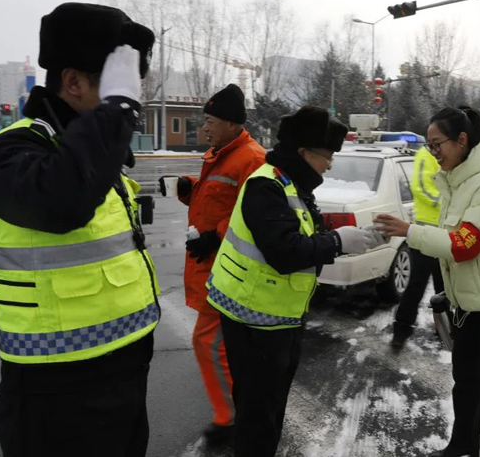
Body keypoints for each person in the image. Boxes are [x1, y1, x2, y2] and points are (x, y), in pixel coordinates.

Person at [0, 3, 159, 457]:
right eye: (116, 86)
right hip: (55, 390)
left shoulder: (88, 149)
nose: (130, 103)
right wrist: (117, 110)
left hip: (124, 370)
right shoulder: (13, 149)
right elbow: (62, 202)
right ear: (73, 82)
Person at [207, 106, 385, 456]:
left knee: (270, 409)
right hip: (254, 321)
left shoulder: (291, 184)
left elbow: (304, 234)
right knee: (258, 417)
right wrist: (338, 242)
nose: (329, 165)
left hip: (278, 317)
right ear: (303, 152)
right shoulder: (265, 185)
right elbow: (285, 251)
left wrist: (358, 237)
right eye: (327, 156)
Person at [377, 106, 480, 457]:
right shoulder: (455, 180)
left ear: (462, 140)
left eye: (437, 144)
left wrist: (409, 232)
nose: (433, 153)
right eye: (429, 146)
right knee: (464, 380)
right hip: (469, 301)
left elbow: (465, 245)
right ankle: (463, 444)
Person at [158, 83, 265, 444]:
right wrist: (189, 186)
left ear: (232, 123)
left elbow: (250, 211)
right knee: (223, 345)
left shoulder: (251, 159)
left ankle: (230, 418)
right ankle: (237, 412)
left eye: (210, 121)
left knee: (208, 342)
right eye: (204, 120)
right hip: (212, 265)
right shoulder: (219, 154)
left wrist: (214, 237)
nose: (204, 127)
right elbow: (216, 198)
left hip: (228, 270)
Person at [391, 145, 445, 349]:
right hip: (424, 232)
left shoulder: (447, 155)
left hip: (444, 233)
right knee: (416, 284)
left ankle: (444, 329)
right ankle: (402, 329)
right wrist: (446, 202)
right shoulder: (425, 154)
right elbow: (420, 187)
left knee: (444, 287)